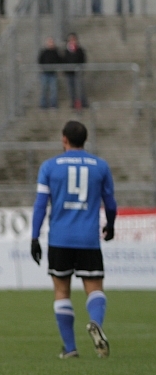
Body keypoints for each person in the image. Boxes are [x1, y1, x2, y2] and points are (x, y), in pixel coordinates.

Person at [31, 121, 116, 359]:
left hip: (60, 238)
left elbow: (40, 205)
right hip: (88, 238)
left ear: (64, 139)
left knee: (61, 291)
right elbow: (110, 203)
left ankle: (70, 348)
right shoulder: (100, 166)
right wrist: (110, 225)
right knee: (94, 288)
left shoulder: (50, 166)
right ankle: (95, 322)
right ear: (85, 140)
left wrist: (34, 237)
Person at [64, 33, 87, 110]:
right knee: (71, 89)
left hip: (78, 73)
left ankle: (83, 102)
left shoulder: (79, 50)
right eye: (70, 40)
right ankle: (73, 103)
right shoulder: (66, 51)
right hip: (69, 73)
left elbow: (82, 59)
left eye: (73, 39)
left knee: (80, 88)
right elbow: (64, 60)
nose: (72, 41)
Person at [38, 37, 61, 109]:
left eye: (52, 42)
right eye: (49, 42)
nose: (50, 44)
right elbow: (40, 61)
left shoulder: (55, 52)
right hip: (45, 73)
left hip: (53, 74)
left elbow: (59, 60)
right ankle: (43, 105)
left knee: (53, 90)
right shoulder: (43, 52)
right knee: (44, 89)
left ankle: (53, 104)